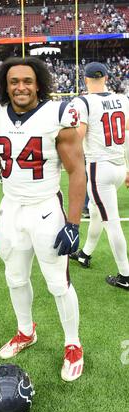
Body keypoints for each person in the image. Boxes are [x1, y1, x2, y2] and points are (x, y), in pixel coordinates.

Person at [0, 57, 86, 381]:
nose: (21, 87)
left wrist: (72, 223)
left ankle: (73, 343)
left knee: (58, 283)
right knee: (14, 278)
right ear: (5, 84)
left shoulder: (57, 114)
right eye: (14, 81)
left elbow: (76, 171)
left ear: (39, 83)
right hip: (10, 209)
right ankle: (26, 331)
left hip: (45, 208)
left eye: (27, 81)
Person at [70, 62, 129, 291]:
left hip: (99, 168)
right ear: (106, 77)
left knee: (110, 222)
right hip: (117, 166)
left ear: (85, 79)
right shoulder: (122, 99)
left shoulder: (83, 101)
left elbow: (79, 135)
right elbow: (126, 134)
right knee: (95, 212)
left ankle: (125, 274)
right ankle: (85, 253)